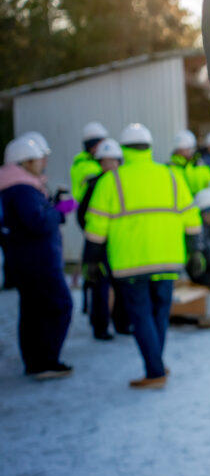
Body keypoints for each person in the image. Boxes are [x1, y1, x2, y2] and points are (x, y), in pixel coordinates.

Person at [83, 123, 203, 389]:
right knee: (160, 313)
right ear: (149, 147)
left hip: (131, 261)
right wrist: (195, 250)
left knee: (141, 315)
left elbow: (95, 227)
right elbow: (192, 217)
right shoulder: (171, 176)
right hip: (168, 258)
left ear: (124, 149)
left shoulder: (110, 181)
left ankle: (154, 370)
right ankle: (156, 362)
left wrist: (90, 261)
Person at [1, 135, 76, 379]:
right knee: (59, 306)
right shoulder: (22, 189)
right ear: (25, 162)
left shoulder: (19, 187)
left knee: (33, 311)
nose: (43, 162)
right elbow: (38, 222)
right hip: (39, 262)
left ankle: (36, 362)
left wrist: (53, 207)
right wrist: (59, 211)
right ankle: (46, 361)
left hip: (26, 260)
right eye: (39, 158)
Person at [76, 138, 128, 339]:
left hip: (119, 244)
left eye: (113, 161)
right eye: (105, 161)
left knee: (122, 284)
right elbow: (82, 215)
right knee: (100, 285)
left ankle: (122, 323)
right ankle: (100, 327)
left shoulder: (124, 182)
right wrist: (94, 236)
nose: (109, 165)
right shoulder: (94, 184)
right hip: (99, 245)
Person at [70, 122, 109, 203]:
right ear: (94, 145)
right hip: (89, 208)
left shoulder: (81, 161)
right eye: (103, 143)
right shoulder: (89, 167)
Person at [169, 129, 210, 194]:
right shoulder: (169, 169)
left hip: (201, 202)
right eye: (181, 150)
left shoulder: (203, 168)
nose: (184, 153)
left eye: (187, 149)